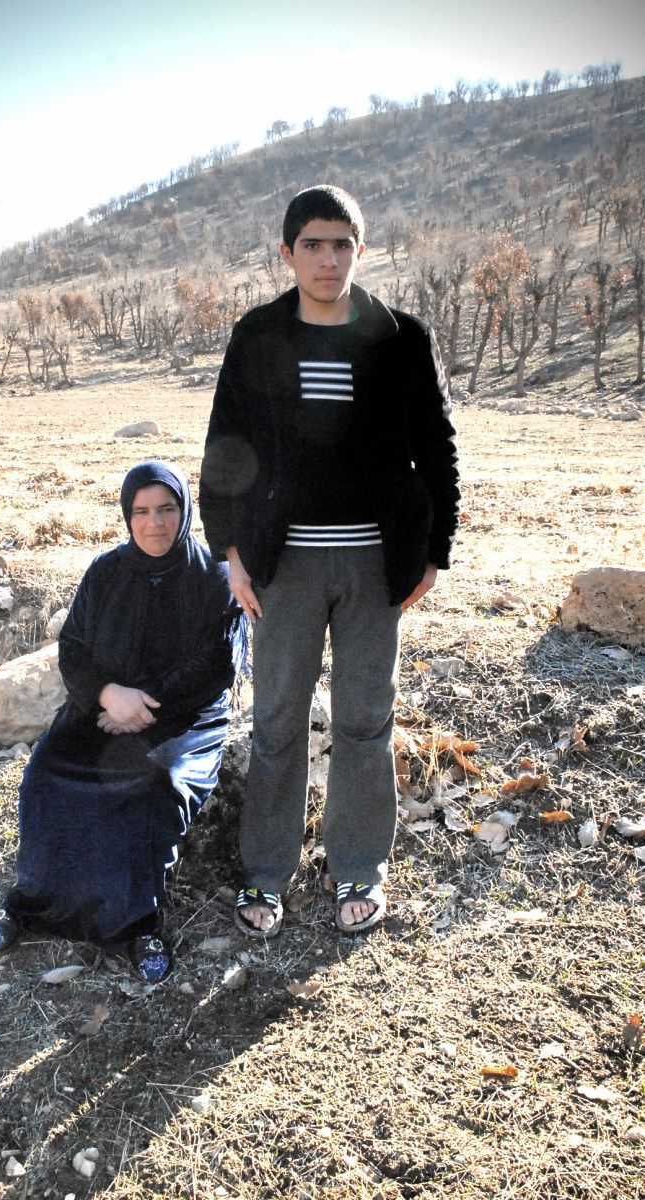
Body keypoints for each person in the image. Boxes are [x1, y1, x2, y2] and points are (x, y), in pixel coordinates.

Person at [199, 185, 459, 938]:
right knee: (276, 718)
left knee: (364, 720)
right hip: (284, 566)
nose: (327, 257)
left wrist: (433, 552)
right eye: (312, 243)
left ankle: (356, 865)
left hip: (376, 567)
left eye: (342, 243)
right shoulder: (257, 335)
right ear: (286, 253)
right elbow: (225, 449)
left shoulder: (399, 337)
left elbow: (435, 448)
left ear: (360, 250)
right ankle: (265, 873)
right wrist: (229, 554)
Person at [0, 461, 246, 981]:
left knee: (158, 785)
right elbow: (74, 649)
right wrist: (108, 695)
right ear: (127, 516)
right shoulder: (105, 572)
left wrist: (141, 706)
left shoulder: (214, 577)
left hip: (184, 718)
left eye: (168, 509)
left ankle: (136, 927)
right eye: (142, 511)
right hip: (101, 709)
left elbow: (217, 665)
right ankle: (34, 905)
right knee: (48, 769)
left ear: (185, 510)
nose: (156, 524)